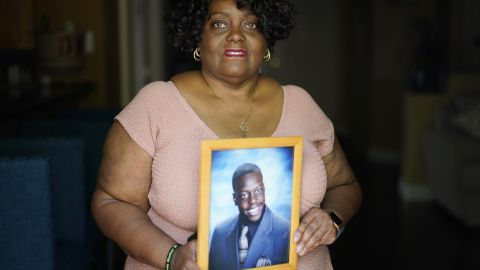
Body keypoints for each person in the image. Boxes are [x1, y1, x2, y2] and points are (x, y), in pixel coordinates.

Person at [91, 0, 362, 269]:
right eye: (219, 23)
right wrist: (172, 256)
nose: (235, 35)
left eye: (251, 25)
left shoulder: (301, 105)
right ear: (199, 37)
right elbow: (111, 202)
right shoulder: (156, 105)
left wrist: (332, 219)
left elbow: (345, 186)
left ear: (265, 40)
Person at [209, 163, 290, 269]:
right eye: (244, 195)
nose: (253, 200)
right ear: (235, 199)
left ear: (264, 189)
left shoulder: (285, 231)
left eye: (258, 190)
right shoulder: (220, 232)